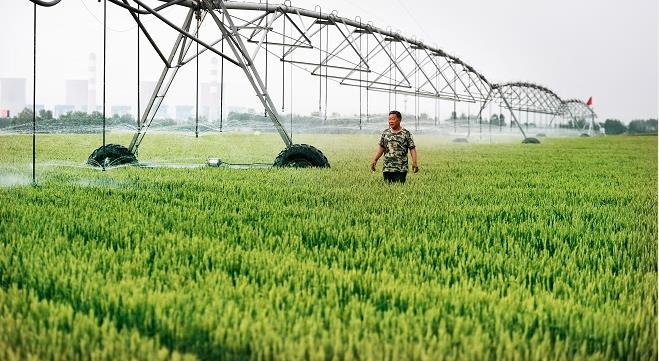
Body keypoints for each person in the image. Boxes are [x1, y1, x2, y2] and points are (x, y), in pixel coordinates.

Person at [370, 110, 418, 183]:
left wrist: (414, 162)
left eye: (393, 119)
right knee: (388, 190)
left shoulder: (406, 133)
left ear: (399, 120)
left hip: (401, 168)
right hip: (387, 167)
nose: (390, 121)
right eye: (389, 119)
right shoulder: (385, 133)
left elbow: (412, 148)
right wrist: (375, 160)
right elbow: (381, 147)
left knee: (399, 189)